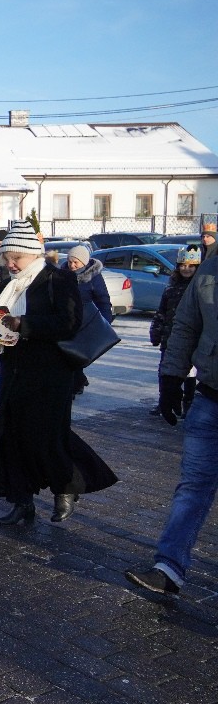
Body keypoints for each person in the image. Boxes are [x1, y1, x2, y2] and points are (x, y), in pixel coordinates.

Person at [0, 220, 117, 524]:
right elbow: (1, 323)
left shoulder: (57, 279)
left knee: (47, 434)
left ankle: (67, 486)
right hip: (15, 372)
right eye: (7, 258)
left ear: (33, 254)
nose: (10, 264)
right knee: (12, 435)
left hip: (52, 373)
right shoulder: (9, 284)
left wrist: (27, 325)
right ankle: (21, 502)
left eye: (16, 258)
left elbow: (68, 323)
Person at [125, 244, 218, 597]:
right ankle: (169, 567)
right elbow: (185, 326)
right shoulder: (210, 272)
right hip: (210, 398)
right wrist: (170, 379)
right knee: (193, 486)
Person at [147, 245, 201, 415]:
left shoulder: (198, 289)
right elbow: (162, 311)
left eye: (191, 266)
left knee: (190, 373)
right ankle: (166, 399)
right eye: (183, 265)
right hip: (169, 337)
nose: (186, 269)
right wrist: (156, 330)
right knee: (165, 370)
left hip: (191, 339)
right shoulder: (171, 287)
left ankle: (188, 402)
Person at [62, 244, 113, 396]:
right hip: (65, 321)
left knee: (77, 355)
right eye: (70, 261)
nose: (72, 265)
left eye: (75, 262)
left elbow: (103, 300)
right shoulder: (62, 274)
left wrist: (105, 323)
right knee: (68, 355)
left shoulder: (93, 277)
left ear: (84, 262)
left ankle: (76, 383)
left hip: (85, 322)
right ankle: (76, 381)